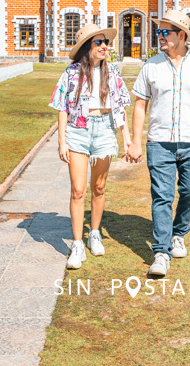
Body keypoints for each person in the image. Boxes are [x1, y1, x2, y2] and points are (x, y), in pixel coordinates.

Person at [127, 9, 190, 276]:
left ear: (181, 35)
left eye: (164, 32)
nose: (159, 36)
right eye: (159, 31)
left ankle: (178, 233)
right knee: (162, 197)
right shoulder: (151, 66)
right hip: (159, 142)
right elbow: (139, 105)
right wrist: (136, 141)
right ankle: (160, 252)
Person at [49, 23, 131, 269]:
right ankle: (77, 244)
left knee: (99, 187)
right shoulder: (72, 73)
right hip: (78, 132)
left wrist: (125, 136)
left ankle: (94, 233)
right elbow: (62, 107)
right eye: (99, 42)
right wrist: (62, 140)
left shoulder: (113, 72)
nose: (104, 46)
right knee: (77, 190)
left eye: (105, 42)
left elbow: (120, 106)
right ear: (87, 46)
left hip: (105, 130)